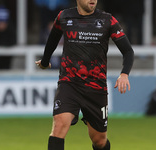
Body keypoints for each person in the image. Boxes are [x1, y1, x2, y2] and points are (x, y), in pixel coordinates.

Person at [36, 0, 134, 150]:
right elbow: (52, 40)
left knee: (99, 141)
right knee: (59, 125)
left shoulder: (107, 20)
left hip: (96, 88)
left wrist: (124, 74)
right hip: (69, 83)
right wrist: (45, 61)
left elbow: (128, 51)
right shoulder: (64, 17)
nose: (92, 0)